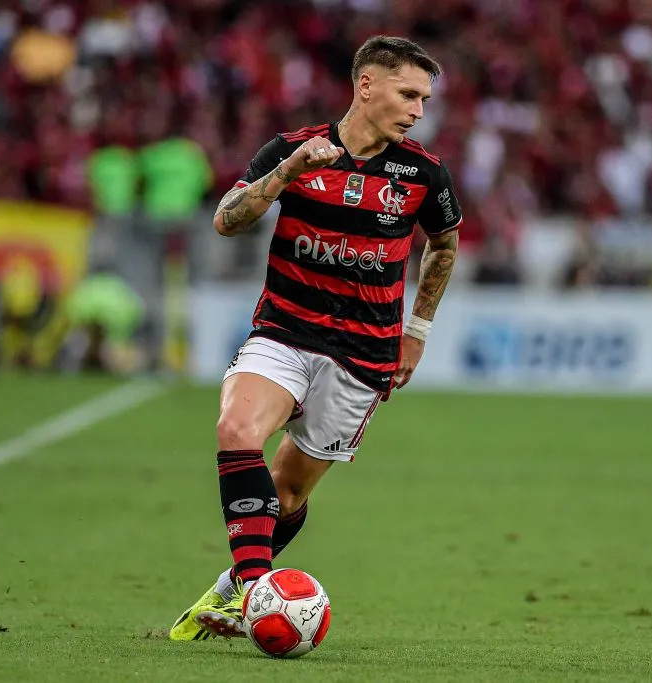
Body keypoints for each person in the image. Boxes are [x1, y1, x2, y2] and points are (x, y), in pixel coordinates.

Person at [169, 36, 463, 641]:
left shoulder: (423, 174)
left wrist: (418, 331)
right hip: (285, 330)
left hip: (364, 353)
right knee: (236, 430)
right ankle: (256, 592)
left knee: (289, 490)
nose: (417, 110)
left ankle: (229, 591)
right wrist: (287, 174)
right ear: (366, 86)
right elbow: (227, 219)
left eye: (424, 99)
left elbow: (445, 245)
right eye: (408, 94)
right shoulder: (295, 149)